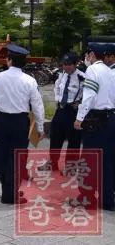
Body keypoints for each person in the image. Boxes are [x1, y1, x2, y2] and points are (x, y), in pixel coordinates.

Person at [0, 44, 44, 205]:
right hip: (20, 122)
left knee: (3, 154)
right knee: (17, 158)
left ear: (9, 60)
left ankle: (7, 191)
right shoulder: (30, 81)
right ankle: (11, 194)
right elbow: (37, 106)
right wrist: (39, 128)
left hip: (2, 121)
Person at [73, 43, 115, 210]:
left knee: (89, 160)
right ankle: (107, 200)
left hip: (95, 120)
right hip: (111, 118)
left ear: (92, 54)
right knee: (108, 161)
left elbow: (89, 97)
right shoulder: (110, 71)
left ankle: (87, 198)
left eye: (88, 55)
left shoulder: (92, 70)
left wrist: (79, 118)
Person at [42, 52, 84, 172]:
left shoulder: (83, 77)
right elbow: (57, 87)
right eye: (64, 64)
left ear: (76, 64)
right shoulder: (62, 75)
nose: (66, 67)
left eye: (69, 64)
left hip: (73, 110)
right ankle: (53, 163)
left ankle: (70, 166)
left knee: (74, 140)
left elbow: (87, 96)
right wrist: (57, 99)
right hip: (61, 109)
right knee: (55, 136)